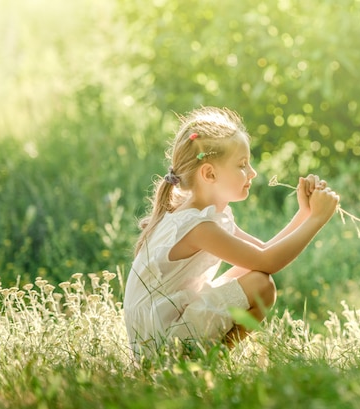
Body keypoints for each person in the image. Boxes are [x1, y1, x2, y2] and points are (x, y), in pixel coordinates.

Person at [123, 106, 339, 356]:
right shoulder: (197, 226)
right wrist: (318, 220)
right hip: (157, 342)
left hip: (168, 322)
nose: (252, 173)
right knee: (261, 285)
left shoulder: (205, 214)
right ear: (209, 173)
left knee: (255, 274)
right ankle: (202, 362)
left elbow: (262, 252)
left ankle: (201, 360)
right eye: (242, 165)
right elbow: (269, 261)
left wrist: (305, 213)